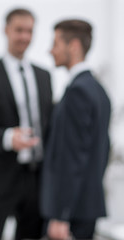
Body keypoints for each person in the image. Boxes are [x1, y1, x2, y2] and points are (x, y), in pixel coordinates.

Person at [0, 8, 53, 240]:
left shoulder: (44, 76)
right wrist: (6, 138)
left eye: (29, 31)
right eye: (19, 30)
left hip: (36, 177)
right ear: (6, 31)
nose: (24, 36)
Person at [40, 19, 111, 240]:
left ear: (74, 46)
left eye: (56, 44)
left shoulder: (77, 92)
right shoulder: (98, 90)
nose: (50, 50)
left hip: (72, 213)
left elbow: (71, 158)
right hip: (86, 205)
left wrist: (61, 214)